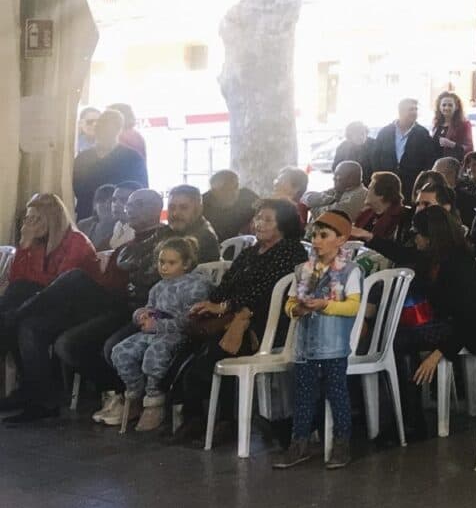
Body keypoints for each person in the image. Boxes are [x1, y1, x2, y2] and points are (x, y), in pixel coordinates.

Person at [173, 200, 306, 443]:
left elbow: (265, 292)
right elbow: (227, 284)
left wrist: (225, 307)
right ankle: (195, 416)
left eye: (267, 219)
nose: (259, 224)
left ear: (284, 224)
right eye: (258, 218)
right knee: (187, 346)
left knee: (212, 354)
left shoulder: (291, 251)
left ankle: (221, 419)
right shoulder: (251, 251)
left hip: (266, 323)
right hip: (234, 317)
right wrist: (209, 304)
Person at [0, 193, 127, 423]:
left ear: (52, 219)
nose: (29, 225)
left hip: (86, 307)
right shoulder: (37, 244)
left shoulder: (76, 242)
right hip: (54, 308)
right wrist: (24, 247)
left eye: (36, 219)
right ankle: (35, 396)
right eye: (28, 219)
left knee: (65, 282)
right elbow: (20, 279)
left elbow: (57, 285)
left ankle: (37, 396)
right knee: (25, 318)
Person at [388, 204, 476, 436]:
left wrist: (438, 354)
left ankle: (412, 421)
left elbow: (469, 317)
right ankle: (407, 417)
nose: (413, 238)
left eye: (416, 233)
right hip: (450, 323)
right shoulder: (435, 259)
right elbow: (401, 253)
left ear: (430, 236)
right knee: (396, 337)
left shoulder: (460, 265)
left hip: (471, 329)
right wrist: (367, 237)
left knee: (399, 341)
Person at [272, 211, 364, 469]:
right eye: (314, 235)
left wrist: (325, 305)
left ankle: (342, 443)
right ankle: (298, 443)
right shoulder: (303, 270)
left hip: (332, 346)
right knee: (303, 395)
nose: (317, 240)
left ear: (341, 239)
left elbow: (352, 307)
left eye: (324, 235)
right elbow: (290, 302)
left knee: (337, 394)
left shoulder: (350, 272)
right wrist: (296, 310)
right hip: (305, 347)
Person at [104, 234, 211, 432]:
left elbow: (189, 320)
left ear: (186, 264)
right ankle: (135, 392)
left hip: (176, 334)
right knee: (121, 351)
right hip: (152, 332)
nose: (165, 267)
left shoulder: (196, 286)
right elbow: (149, 307)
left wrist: (158, 326)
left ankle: (154, 399)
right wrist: (141, 315)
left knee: (155, 354)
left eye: (171, 263)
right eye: (162, 262)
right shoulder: (157, 287)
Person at [71, 111, 146, 219]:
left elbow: (140, 191)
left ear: (118, 130)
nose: (104, 131)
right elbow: (77, 189)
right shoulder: (83, 158)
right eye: (101, 126)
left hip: (122, 219)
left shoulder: (132, 158)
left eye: (109, 128)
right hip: (88, 217)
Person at [369, 98, 436, 200]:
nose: (414, 112)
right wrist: (380, 177)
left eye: (415, 109)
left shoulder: (422, 133)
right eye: (411, 109)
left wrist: (422, 181)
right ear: (401, 111)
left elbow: (429, 159)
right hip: (387, 185)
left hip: (412, 185)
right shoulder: (385, 132)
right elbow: (375, 157)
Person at [202, 169, 259, 240]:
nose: (233, 192)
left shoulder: (247, 196)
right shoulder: (202, 203)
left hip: (246, 244)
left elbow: (266, 210)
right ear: (213, 191)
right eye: (226, 189)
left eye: (236, 186)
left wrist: (256, 220)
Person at [431, 92, 474, 157]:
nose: (447, 108)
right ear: (439, 107)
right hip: (436, 165)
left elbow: (469, 149)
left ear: (456, 107)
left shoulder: (464, 124)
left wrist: (452, 144)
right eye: (444, 105)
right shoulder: (437, 124)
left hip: (453, 164)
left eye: (450, 105)